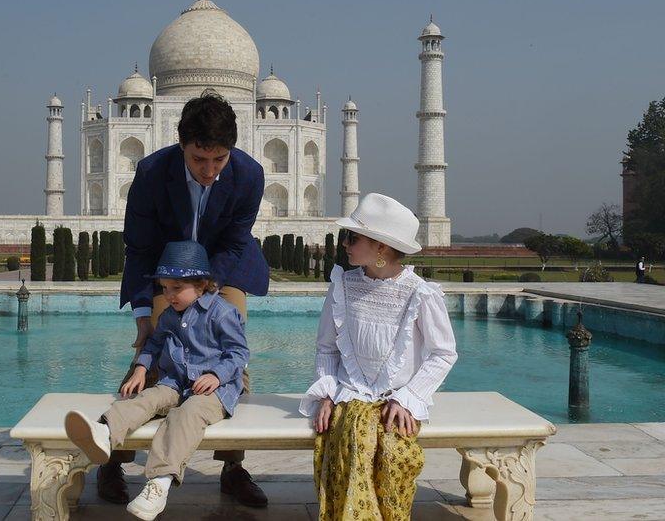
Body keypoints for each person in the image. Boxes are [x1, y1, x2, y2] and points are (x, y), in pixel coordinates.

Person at [106, 92, 269, 507]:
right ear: (182, 145)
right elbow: (140, 246)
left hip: (222, 268)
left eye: (219, 160)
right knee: (152, 354)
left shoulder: (248, 174)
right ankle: (113, 456)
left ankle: (232, 467)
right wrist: (145, 314)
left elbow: (234, 243)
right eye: (200, 159)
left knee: (232, 360)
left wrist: (206, 292)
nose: (210, 170)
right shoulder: (152, 171)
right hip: (165, 268)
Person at [300, 193, 458, 521]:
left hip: (396, 401)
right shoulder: (343, 286)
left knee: (391, 451)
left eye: (352, 237)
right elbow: (327, 348)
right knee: (352, 443)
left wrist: (408, 398)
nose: (345, 244)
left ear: (381, 247)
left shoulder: (419, 292)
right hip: (349, 395)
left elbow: (443, 353)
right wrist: (327, 392)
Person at [65, 240, 249, 521]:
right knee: (147, 398)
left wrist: (216, 375)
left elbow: (238, 353)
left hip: (213, 391)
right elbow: (153, 346)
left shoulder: (222, 312)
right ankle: (105, 431)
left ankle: (159, 483)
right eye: (164, 288)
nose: (169, 294)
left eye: (176, 288)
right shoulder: (168, 316)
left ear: (201, 285)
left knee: (185, 415)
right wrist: (141, 367)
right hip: (176, 383)